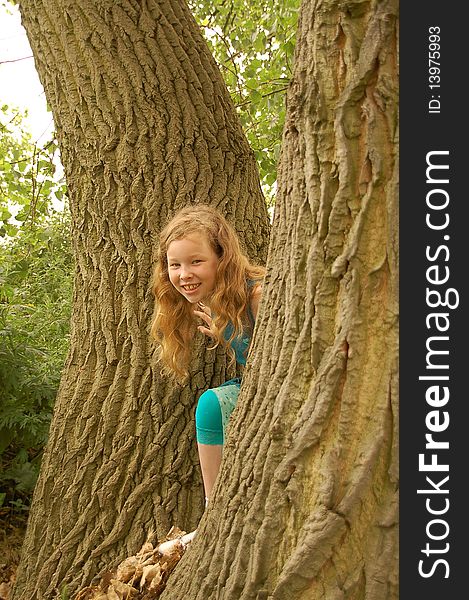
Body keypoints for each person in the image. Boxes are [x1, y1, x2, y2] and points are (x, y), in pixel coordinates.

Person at [151, 204, 264, 507]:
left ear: (222, 259)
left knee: (210, 404)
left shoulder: (257, 296)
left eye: (196, 261)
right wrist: (223, 331)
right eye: (174, 265)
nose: (184, 274)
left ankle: (213, 506)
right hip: (257, 389)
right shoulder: (215, 303)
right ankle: (215, 505)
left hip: (278, 392)